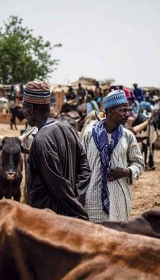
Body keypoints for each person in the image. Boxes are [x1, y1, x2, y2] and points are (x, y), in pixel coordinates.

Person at [23, 80, 90, 220]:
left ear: (31, 109)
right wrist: (77, 198)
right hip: (67, 214)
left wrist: (78, 211)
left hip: (49, 219)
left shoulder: (41, 141)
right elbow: (85, 169)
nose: (24, 112)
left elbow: (58, 185)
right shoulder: (68, 129)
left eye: (24, 107)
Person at [82, 89, 144, 222]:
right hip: (93, 199)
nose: (127, 114)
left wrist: (127, 171)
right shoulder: (89, 135)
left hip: (119, 199)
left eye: (128, 110)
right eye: (123, 110)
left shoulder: (128, 136)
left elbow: (139, 163)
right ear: (110, 111)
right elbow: (81, 165)